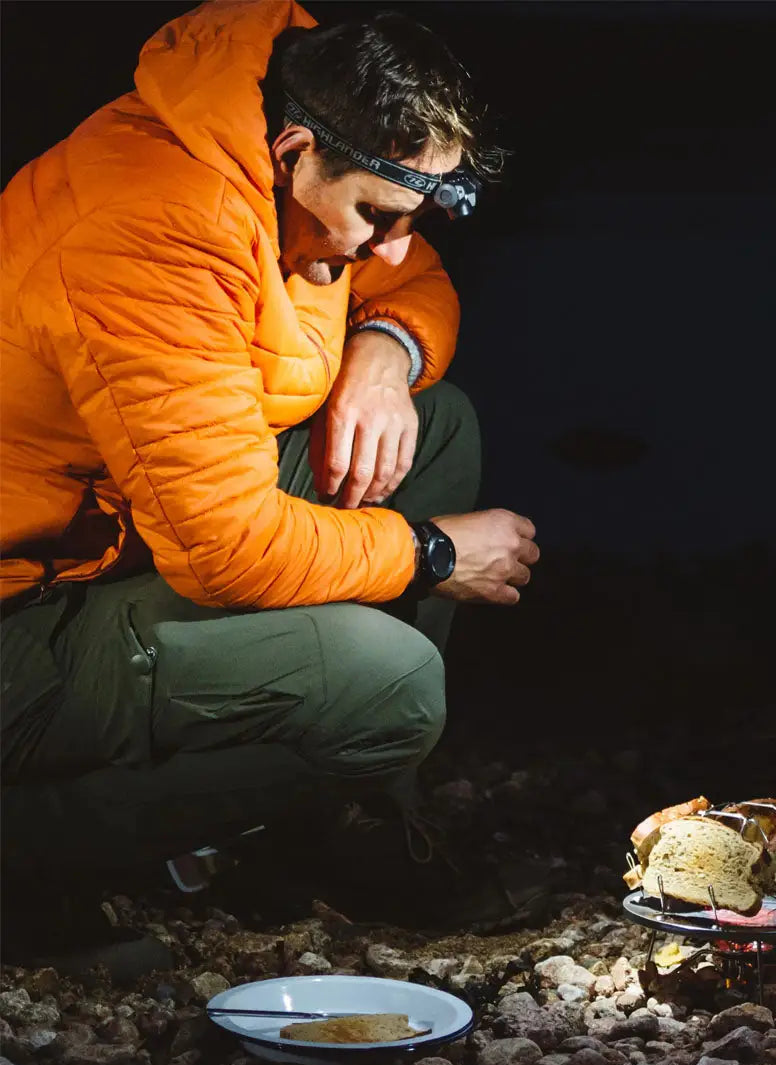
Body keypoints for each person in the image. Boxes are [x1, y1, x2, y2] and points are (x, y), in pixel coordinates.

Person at [0, 0, 539, 954]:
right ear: (295, 150)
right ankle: (31, 863)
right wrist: (434, 551)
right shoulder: (150, 231)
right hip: (21, 619)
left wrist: (384, 348)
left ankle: (337, 823)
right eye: (376, 218)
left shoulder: (279, 144)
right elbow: (224, 551)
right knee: (394, 686)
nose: (392, 249)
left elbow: (412, 283)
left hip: (112, 538)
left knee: (434, 419)